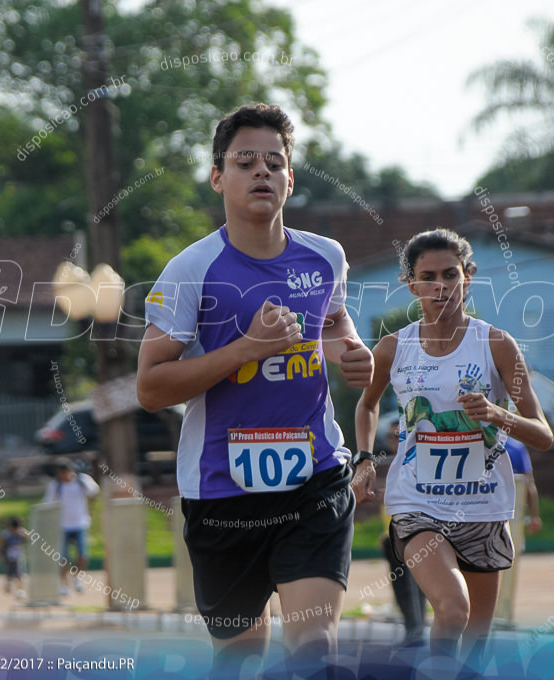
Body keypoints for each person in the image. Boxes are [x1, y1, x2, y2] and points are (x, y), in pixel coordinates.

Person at [136, 103, 374, 676]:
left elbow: (334, 323)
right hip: (222, 489)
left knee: (314, 649)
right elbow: (150, 386)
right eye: (245, 162)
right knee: (240, 658)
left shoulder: (325, 257)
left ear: (290, 179)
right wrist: (246, 349)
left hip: (314, 477)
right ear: (218, 177)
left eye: (275, 162)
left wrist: (352, 349)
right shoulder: (190, 270)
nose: (261, 172)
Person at [354, 228, 553, 664]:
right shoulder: (393, 348)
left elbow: (542, 434)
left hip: (483, 508)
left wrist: (497, 415)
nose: (440, 286)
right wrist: (365, 459)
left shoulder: (497, 345)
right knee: (452, 607)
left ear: (469, 276)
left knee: (475, 645)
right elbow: (366, 405)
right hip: (418, 505)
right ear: (411, 284)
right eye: (428, 277)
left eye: (450, 274)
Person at [379, 420, 428, 646]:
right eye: (390, 437)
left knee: (412, 584)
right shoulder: (394, 462)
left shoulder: (415, 460)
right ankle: (414, 628)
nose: (392, 441)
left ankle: (416, 630)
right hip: (393, 535)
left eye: (397, 436)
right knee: (402, 585)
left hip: (411, 532)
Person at [43, 462, 99, 596]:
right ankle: (64, 584)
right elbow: (47, 503)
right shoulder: (56, 486)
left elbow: (94, 492)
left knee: (82, 555)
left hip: (80, 524)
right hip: (63, 526)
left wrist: (89, 512)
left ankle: (77, 577)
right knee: (62, 558)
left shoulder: (82, 481)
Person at [504, 436, 542, 535]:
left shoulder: (479, 443)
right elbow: (529, 483)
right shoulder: (517, 447)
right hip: (514, 513)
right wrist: (534, 515)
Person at [0, 516, 27, 599]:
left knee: (19, 574)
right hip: (8, 558)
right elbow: (1, 544)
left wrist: (23, 533)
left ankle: (20, 591)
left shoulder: (21, 532)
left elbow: (28, 537)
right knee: (9, 575)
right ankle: (7, 587)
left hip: (18, 557)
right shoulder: (6, 534)